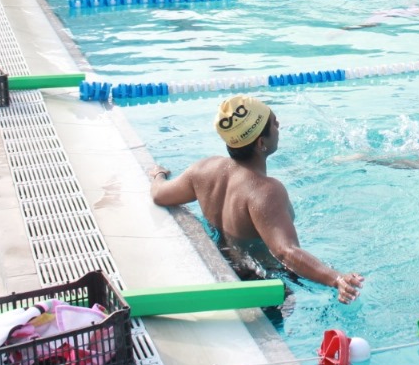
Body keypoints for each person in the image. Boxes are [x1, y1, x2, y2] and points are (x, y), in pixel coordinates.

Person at [149, 96, 364, 304]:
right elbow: (285, 252)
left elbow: (159, 194)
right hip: (261, 284)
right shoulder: (265, 191)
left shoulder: (203, 170)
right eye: (274, 123)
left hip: (221, 268)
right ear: (261, 142)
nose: (278, 125)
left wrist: (159, 175)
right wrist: (336, 278)